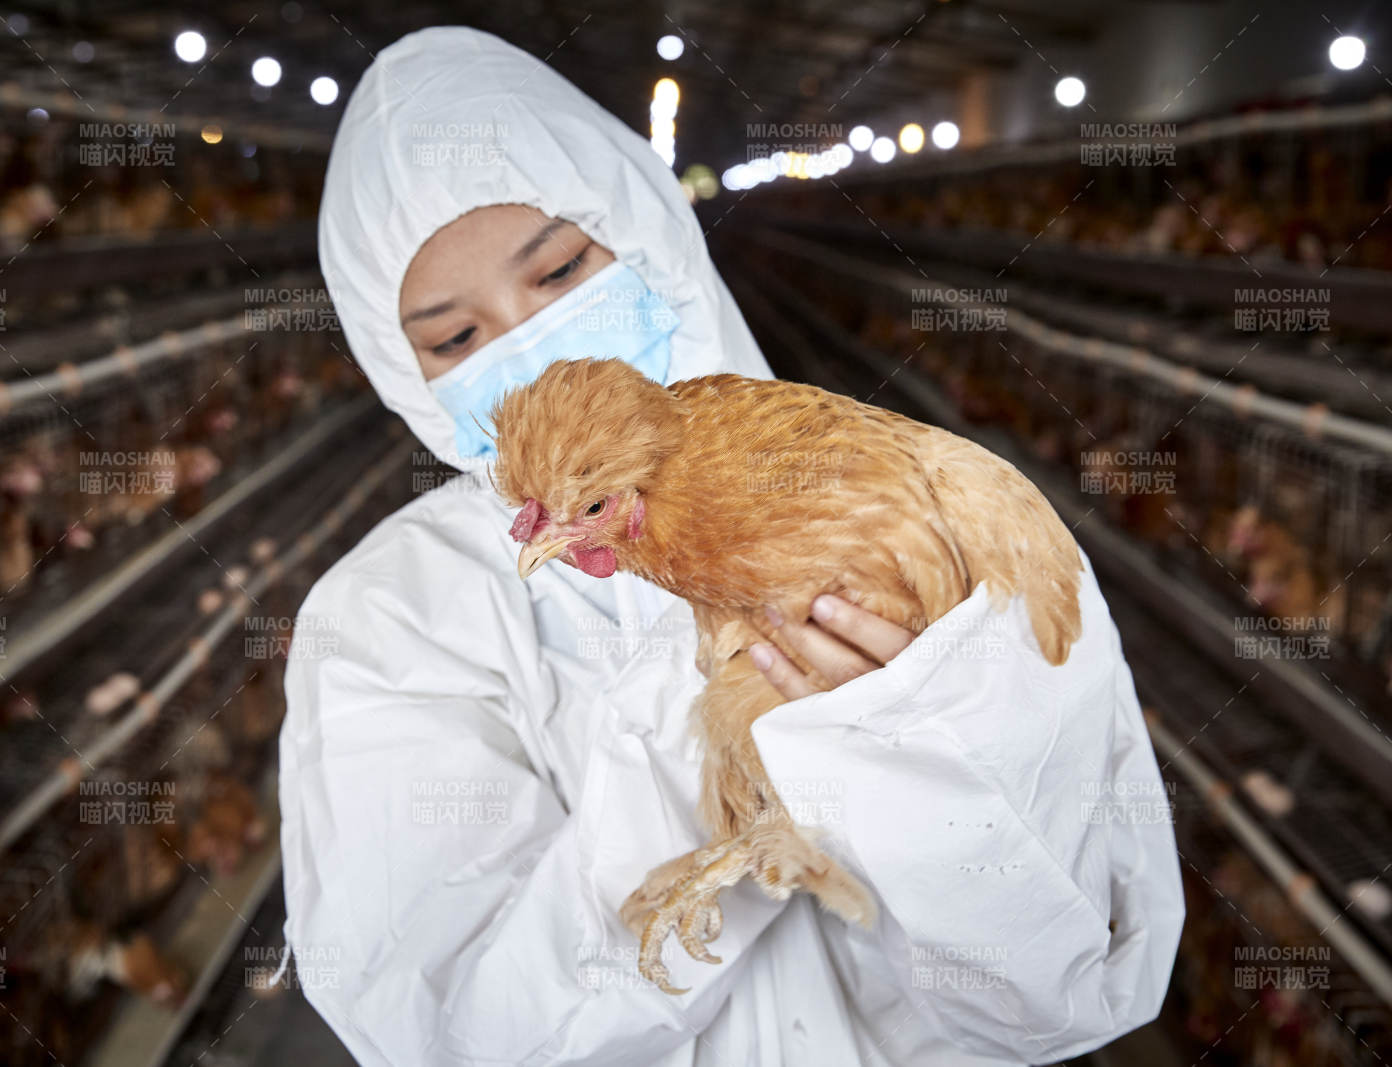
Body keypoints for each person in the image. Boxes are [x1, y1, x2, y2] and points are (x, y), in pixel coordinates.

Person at [279, 25, 1183, 1067]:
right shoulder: (385, 619)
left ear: (649, 233)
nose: (528, 343)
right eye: (453, 338)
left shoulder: (925, 502)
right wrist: (711, 732)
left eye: (561, 267)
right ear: (407, 378)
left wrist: (917, 756)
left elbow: (1076, 990)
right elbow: (457, 1036)